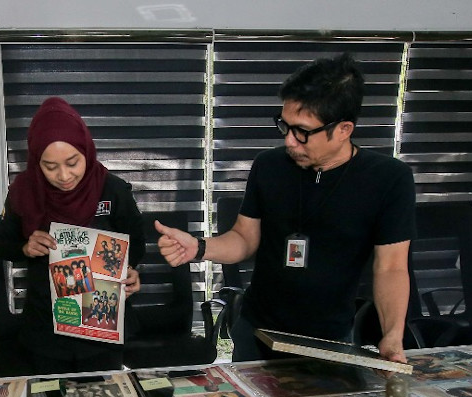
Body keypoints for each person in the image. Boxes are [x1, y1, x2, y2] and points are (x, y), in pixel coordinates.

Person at [157, 53, 415, 363]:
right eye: (285, 126)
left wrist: (392, 337)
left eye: (303, 132)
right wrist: (199, 247)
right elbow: (244, 238)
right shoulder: (269, 166)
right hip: (257, 330)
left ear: (344, 129)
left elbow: (391, 267)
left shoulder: (388, 179)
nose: (290, 141)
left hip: (329, 338)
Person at [0, 97, 145, 373]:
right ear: (35, 160)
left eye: (73, 162)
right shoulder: (23, 192)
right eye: (50, 167)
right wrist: (25, 247)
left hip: (102, 326)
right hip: (46, 328)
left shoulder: (111, 189)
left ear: (86, 151)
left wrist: (131, 270)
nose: (64, 176)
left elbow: (137, 240)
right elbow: (0, 244)